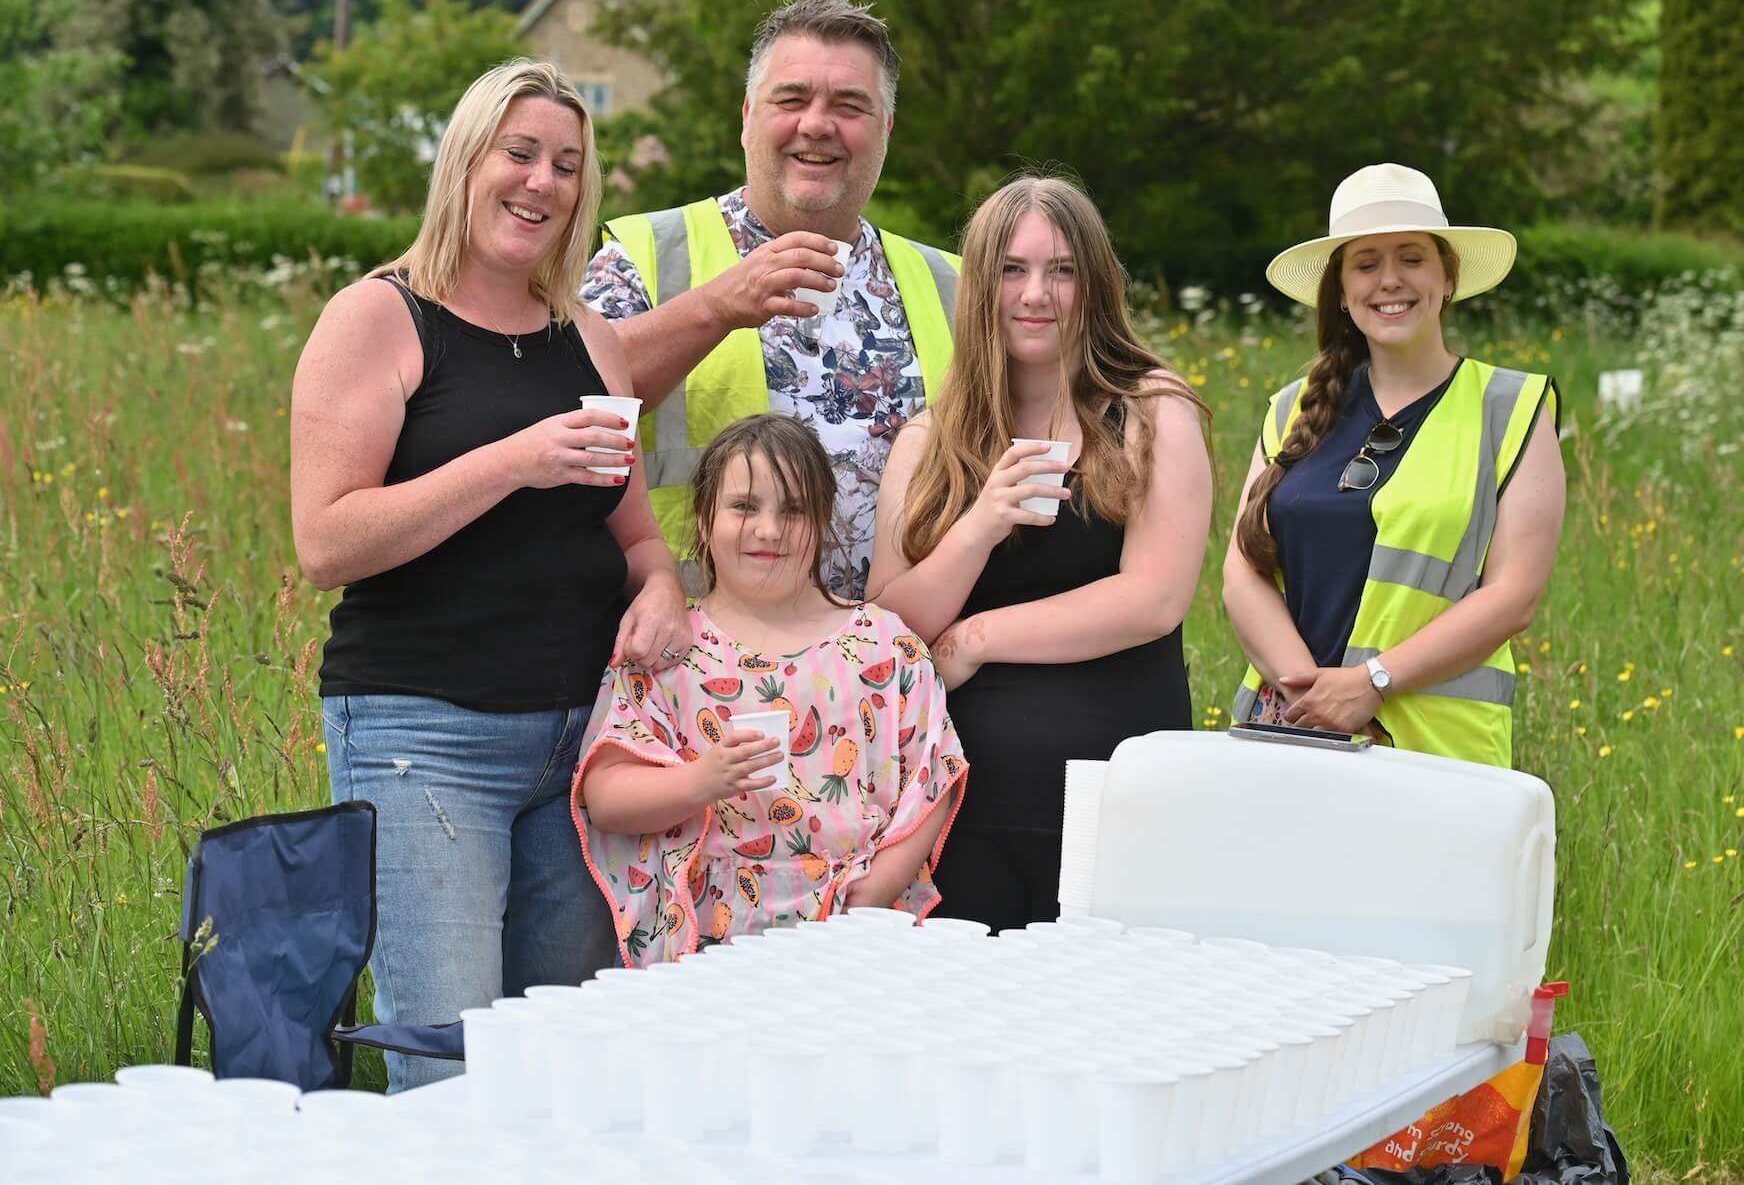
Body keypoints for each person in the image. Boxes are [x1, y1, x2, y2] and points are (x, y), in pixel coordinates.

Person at [290, 60, 690, 1090]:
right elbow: (326, 541)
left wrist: (658, 591)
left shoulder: (589, 340)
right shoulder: (379, 316)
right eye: (519, 153)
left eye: (566, 163)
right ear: (466, 161)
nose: (541, 182)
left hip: (586, 750)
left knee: (561, 1062)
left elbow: (640, 540)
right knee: (448, 1063)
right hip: (425, 739)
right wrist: (513, 460)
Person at [869, 177, 1211, 930]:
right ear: (980, 285)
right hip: (958, 815)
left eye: (1062, 270)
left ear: (1094, 285)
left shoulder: (1153, 413)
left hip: (1115, 810)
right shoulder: (930, 438)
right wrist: (979, 525)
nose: (1037, 294)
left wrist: (977, 638)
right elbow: (889, 626)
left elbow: (1153, 597)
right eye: (1012, 271)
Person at [582, 0, 959, 601]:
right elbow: (563, 401)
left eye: (850, 105)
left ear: (886, 128)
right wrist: (713, 308)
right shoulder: (649, 254)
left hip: (899, 670)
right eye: (792, 99)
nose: (817, 123)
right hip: (694, 661)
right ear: (747, 116)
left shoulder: (955, 285)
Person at [573, 415, 967, 964]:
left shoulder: (884, 645)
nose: (768, 529)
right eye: (744, 506)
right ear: (704, 518)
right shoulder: (668, 650)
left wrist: (884, 884)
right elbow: (606, 796)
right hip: (712, 943)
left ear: (825, 519)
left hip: (855, 934)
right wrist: (699, 781)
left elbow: (933, 779)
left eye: (794, 509)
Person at [1222, 163, 1564, 770]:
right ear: (1343, 290)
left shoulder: (1512, 408)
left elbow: (1515, 596)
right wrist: (1310, 693)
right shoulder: (1289, 408)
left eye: (1411, 258)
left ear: (1447, 275)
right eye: (1366, 263)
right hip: (1290, 738)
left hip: (1440, 754)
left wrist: (1370, 683)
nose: (1390, 281)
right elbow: (1241, 576)